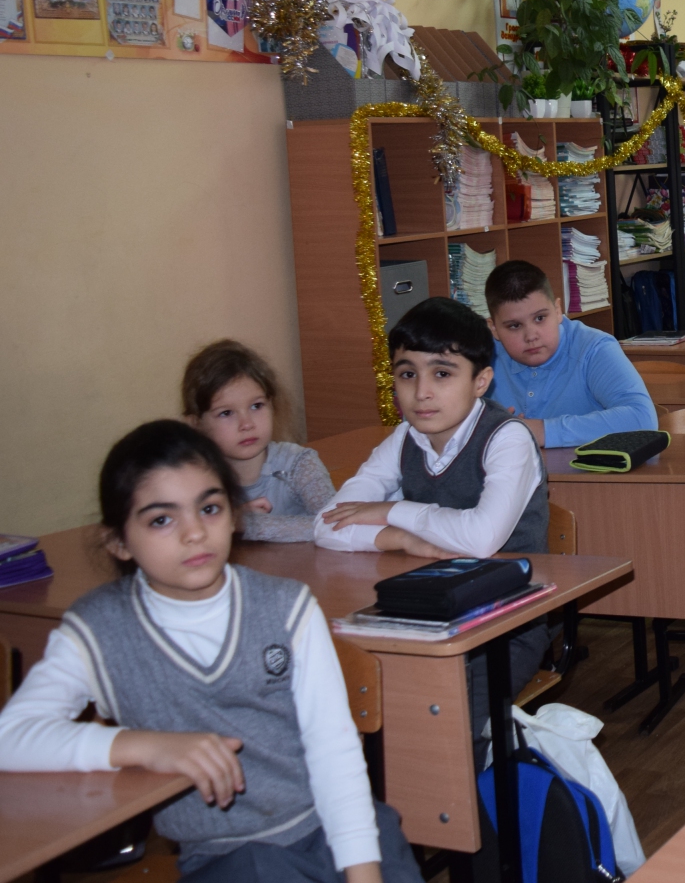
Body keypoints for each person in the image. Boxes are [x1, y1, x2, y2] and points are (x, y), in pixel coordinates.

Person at [0, 421, 422, 882]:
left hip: (339, 833)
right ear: (118, 541)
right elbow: (10, 736)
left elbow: (335, 754)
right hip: (223, 859)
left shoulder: (285, 607)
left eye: (209, 508)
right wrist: (146, 747)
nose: (194, 533)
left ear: (235, 514)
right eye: (161, 520)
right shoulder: (99, 630)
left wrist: (363, 873)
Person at [315, 297, 551, 751]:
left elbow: (480, 538)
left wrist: (391, 512)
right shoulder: (405, 438)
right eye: (407, 374)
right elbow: (326, 526)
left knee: (446, 732)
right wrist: (401, 539)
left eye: (442, 373)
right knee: (359, 713)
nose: (422, 392)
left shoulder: (508, 438)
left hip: (506, 623)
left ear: (481, 380)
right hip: (422, 612)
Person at [481, 260, 656, 448]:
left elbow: (643, 419)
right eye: (514, 326)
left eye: (540, 318)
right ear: (494, 328)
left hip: (585, 467)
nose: (531, 336)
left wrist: (542, 431)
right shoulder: (481, 354)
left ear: (557, 311)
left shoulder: (594, 348)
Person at [181, 339, 334, 542]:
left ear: (272, 405)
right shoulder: (194, 480)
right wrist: (228, 520)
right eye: (226, 413)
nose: (247, 424)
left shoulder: (299, 464)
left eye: (257, 406)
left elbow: (336, 525)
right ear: (196, 424)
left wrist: (246, 524)